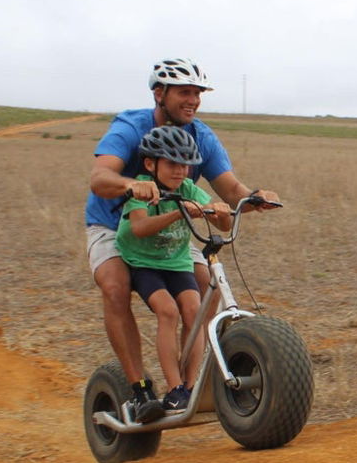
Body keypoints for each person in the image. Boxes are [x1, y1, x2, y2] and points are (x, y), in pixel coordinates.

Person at [85, 58, 279, 419]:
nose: (193, 100)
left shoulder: (200, 136)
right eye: (184, 93)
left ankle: (190, 387)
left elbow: (230, 191)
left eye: (197, 93)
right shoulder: (131, 126)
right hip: (115, 225)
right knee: (115, 286)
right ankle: (140, 390)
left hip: (171, 229)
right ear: (159, 93)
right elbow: (99, 177)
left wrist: (255, 199)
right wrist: (132, 185)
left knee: (208, 292)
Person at [116, 126, 231, 422]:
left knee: (195, 312)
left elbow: (224, 226)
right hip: (143, 263)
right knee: (167, 312)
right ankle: (174, 386)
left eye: (186, 164)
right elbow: (139, 228)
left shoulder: (189, 189)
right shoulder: (143, 187)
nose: (181, 171)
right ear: (150, 164)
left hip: (177, 263)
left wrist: (219, 212)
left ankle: (189, 388)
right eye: (172, 164)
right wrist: (181, 212)